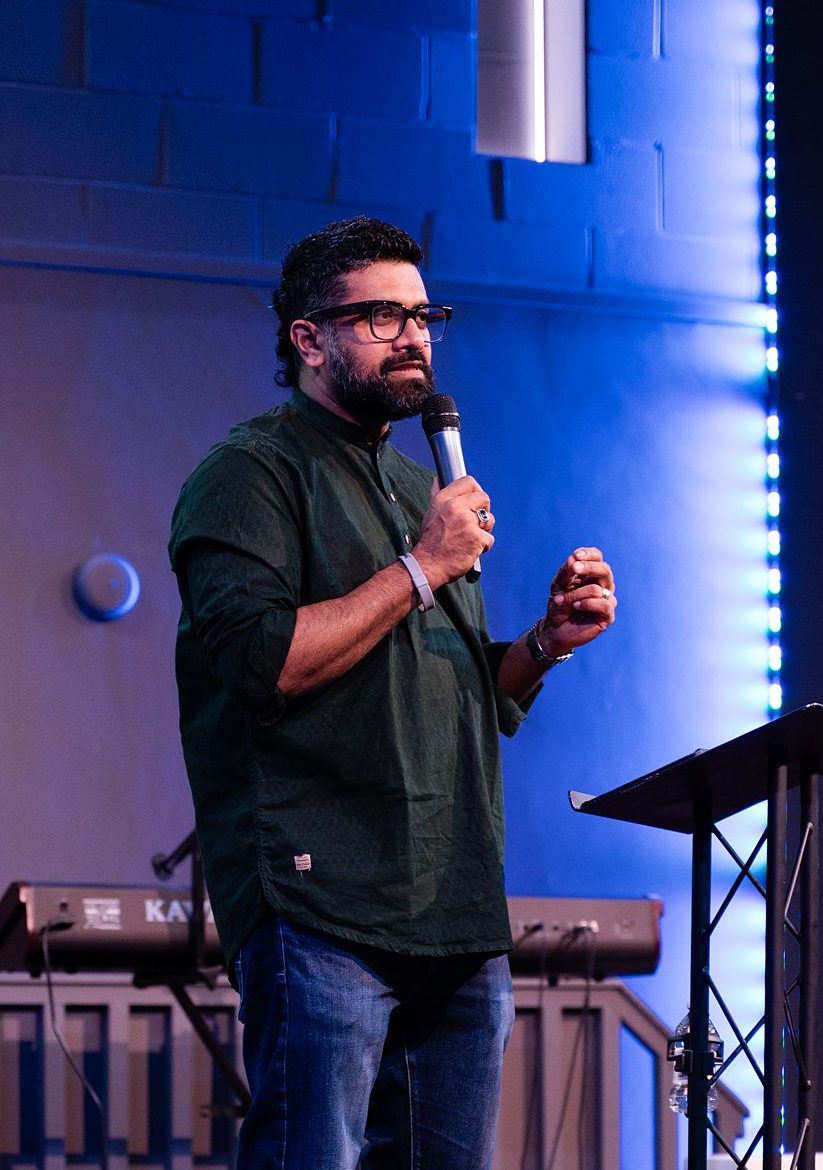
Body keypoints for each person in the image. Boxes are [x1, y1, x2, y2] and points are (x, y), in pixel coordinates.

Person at [169, 215, 617, 1170]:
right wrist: (423, 563)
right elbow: (265, 663)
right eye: (382, 316)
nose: (414, 335)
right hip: (320, 896)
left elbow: (464, 696)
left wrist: (543, 643)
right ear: (308, 338)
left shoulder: (423, 485)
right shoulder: (250, 472)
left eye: (423, 315)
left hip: (453, 908)